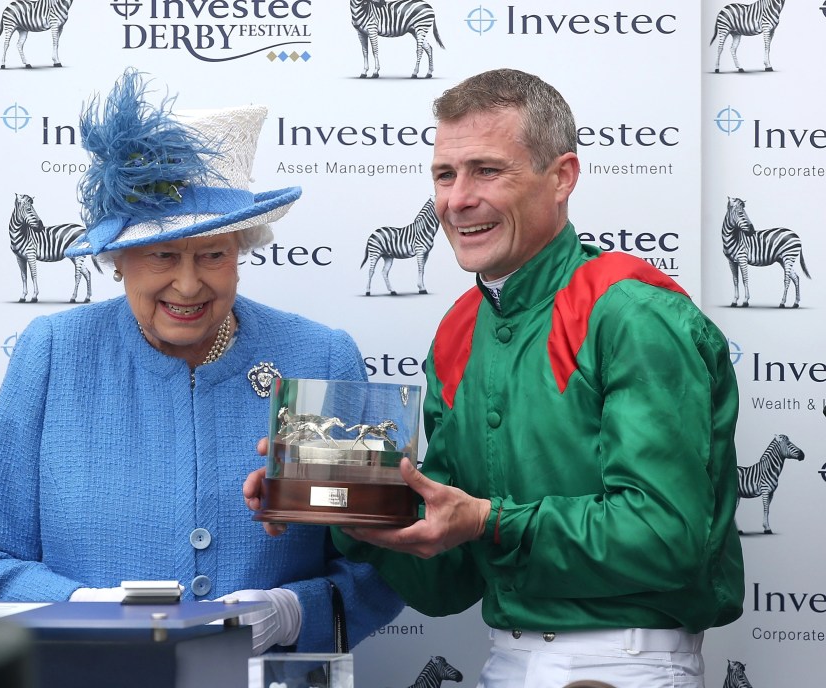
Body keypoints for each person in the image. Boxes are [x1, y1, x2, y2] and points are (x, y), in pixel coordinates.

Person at [248, 68, 745, 686]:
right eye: (444, 175)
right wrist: (348, 509)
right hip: (505, 663)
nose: (458, 199)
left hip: (629, 666)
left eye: (487, 170)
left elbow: (667, 539)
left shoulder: (630, 313)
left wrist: (488, 519)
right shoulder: (459, 330)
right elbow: (447, 584)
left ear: (562, 177)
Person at [0, 70, 402, 655]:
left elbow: (380, 558)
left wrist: (294, 612)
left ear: (241, 251)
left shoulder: (316, 357)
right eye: (163, 254)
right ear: (118, 258)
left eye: (213, 254)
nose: (188, 284)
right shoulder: (53, 354)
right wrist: (89, 611)